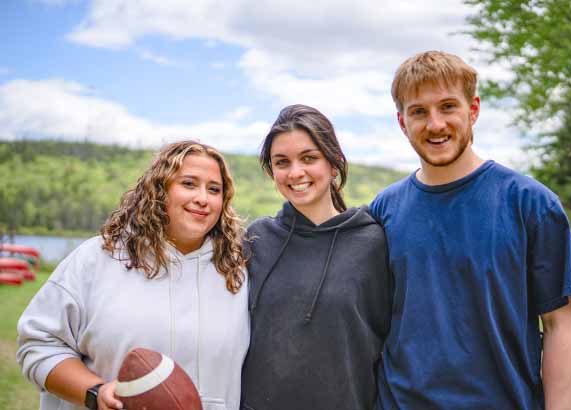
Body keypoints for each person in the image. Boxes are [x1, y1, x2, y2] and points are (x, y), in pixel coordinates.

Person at [371, 51, 571, 409]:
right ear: (402, 122)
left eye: (448, 107)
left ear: (472, 110)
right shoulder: (384, 209)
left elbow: (560, 326)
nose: (435, 124)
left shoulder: (530, 203)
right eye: (419, 112)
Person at [17, 141, 249, 410]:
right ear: (159, 190)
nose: (203, 198)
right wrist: (95, 392)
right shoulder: (97, 258)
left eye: (214, 189)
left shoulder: (236, 272)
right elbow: (39, 343)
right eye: (188, 184)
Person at [241, 104, 392, 410]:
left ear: (334, 164)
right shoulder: (256, 239)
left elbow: (392, 343)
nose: (295, 173)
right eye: (282, 162)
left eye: (309, 158)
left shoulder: (373, 242)